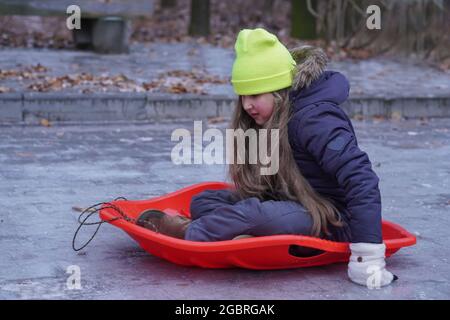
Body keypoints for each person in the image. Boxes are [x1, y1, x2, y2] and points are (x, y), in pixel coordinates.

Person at [136, 28, 397, 287]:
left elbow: (361, 178)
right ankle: (245, 235)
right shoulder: (273, 116)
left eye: (254, 96)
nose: (247, 106)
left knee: (252, 213)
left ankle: (189, 234)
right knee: (205, 201)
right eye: (243, 97)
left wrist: (368, 257)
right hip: (293, 200)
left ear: (277, 92)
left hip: (334, 219)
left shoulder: (315, 120)